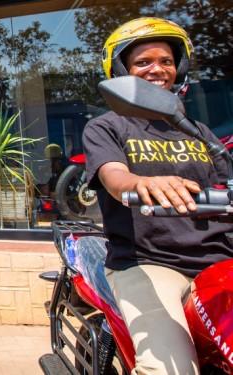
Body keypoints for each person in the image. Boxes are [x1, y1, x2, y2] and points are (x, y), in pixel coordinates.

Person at [83, 17, 232, 374]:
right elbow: (114, 177)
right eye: (143, 61)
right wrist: (140, 184)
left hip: (219, 261)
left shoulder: (199, 131)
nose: (158, 69)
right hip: (151, 263)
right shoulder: (107, 126)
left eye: (166, 61)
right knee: (169, 369)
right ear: (121, 70)